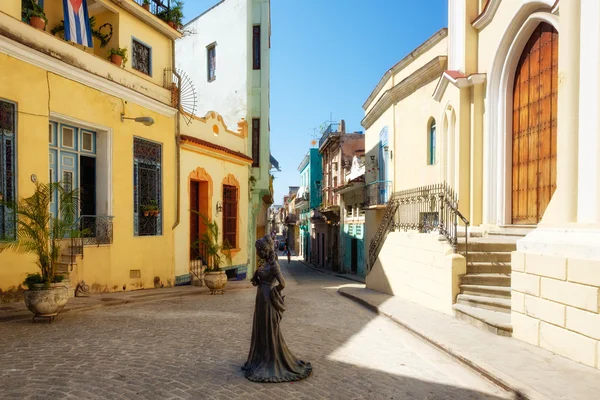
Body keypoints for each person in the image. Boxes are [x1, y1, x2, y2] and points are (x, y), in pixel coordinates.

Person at [242, 235, 312, 382]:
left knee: (269, 327)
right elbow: (256, 281)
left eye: (258, 250)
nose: (257, 253)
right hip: (261, 297)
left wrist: (274, 292)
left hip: (268, 298)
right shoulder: (264, 263)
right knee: (261, 326)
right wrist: (256, 277)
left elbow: (283, 283)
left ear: (264, 250)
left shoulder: (274, 265)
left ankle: (270, 359)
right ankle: (260, 356)